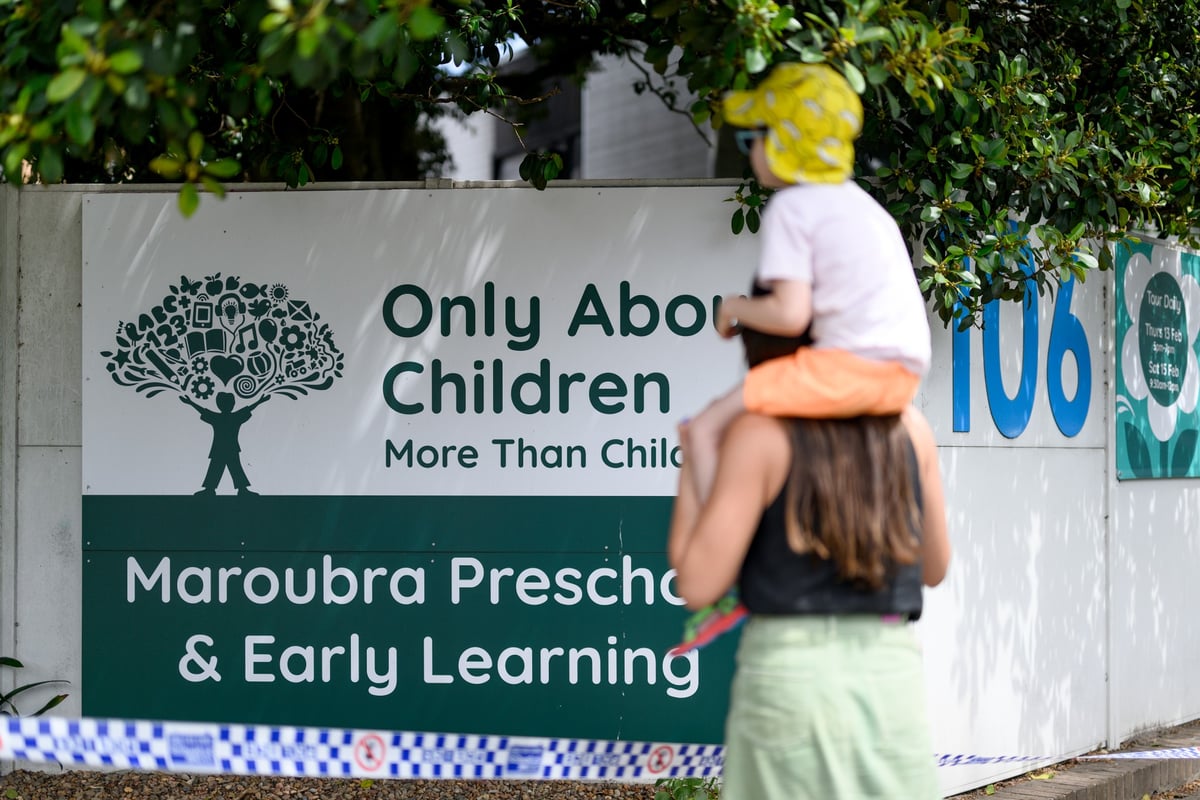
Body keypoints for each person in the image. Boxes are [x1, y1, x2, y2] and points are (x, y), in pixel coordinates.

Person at [675, 62, 933, 652]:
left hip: (848, 365)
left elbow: (790, 316)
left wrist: (734, 307)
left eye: (752, 139)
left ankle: (726, 571)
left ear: (783, 142)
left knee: (707, 427)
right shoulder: (865, 207)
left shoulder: (793, 208)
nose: (751, 155)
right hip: (901, 373)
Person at [668, 324, 950, 800]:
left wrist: (697, 449)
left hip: (787, 668)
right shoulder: (909, 427)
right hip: (888, 668)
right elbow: (935, 567)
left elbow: (697, 583)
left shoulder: (760, 435)